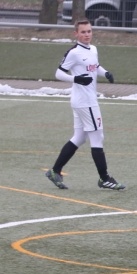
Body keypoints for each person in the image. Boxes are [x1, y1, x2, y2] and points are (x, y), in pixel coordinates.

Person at [44, 19, 123, 191]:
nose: (87, 35)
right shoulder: (73, 53)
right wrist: (76, 79)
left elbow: (95, 66)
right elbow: (58, 73)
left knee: (79, 137)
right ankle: (104, 178)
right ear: (76, 34)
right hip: (85, 102)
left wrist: (105, 73)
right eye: (83, 32)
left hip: (85, 101)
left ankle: (55, 171)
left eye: (89, 31)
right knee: (97, 137)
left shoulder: (93, 49)